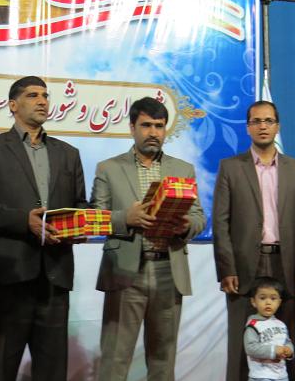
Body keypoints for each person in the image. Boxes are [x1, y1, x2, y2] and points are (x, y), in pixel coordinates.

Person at [0, 76, 88, 381]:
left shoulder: (68, 153)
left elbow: (80, 205)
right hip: (9, 276)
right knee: (0, 369)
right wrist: (26, 221)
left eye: (45, 96)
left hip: (55, 276)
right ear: (13, 105)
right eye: (33, 95)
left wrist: (80, 226)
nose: (42, 101)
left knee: (52, 371)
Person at [91, 96, 206, 381]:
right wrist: (125, 218)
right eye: (146, 125)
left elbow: (199, 217)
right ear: (132, 128)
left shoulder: (183, 169)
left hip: (169, 271)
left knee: (163, 362)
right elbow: (94, 218)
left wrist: (184, 226)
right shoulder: (109, 168)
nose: (153, 132)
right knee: (115, 359)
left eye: (159, 125)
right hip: (126, 273)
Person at [213, 100, 295, 381]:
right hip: (244, 268)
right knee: (241, 347)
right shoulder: (230, 168)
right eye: (256, 121)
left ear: (277, 126)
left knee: (284, 344)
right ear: (248, 127)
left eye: (268, 121)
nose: (262, 126)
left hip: (286, 266)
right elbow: (221, 222)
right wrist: (227, 268)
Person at [244, 277, 294, 381]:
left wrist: (289, 350)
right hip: (261, 376)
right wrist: (274, 351)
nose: (268, 302)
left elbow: (287, 341)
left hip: (281, 375)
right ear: (253, 301)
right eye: (262, 298)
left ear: (279, 302)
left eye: (273, 298)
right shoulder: (253, 324)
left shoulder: (281, 324)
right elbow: (250, 348)